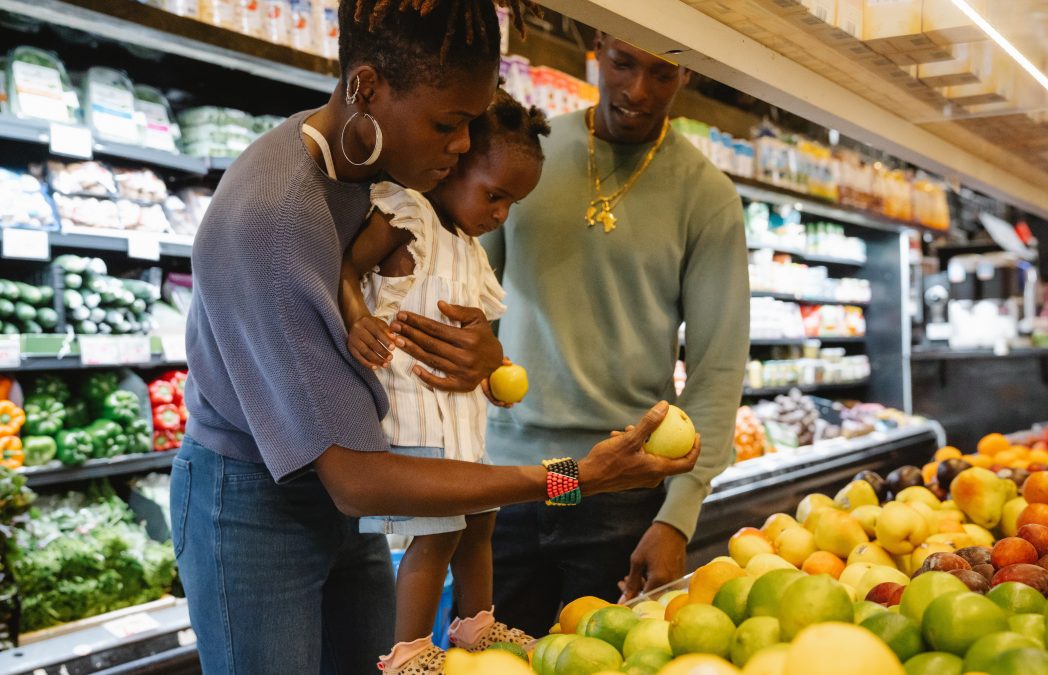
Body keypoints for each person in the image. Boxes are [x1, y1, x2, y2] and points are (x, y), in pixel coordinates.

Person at [172, 1, 699, 672]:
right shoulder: (277, 220)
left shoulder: (389, 163)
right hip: (253, 505)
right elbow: (358, 481)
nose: (460, 149)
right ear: (367, 88)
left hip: (345, 490)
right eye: (449, 125)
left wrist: (484, 358)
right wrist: (574, 480)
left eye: (471, 126)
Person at [483, 33, 750, 635]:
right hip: (512, 480)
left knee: (603, 662)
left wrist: (678, 516)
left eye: (662, 74)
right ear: (597, 49)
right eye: (623, 64)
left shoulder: (707, 196)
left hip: (621, 491)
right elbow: (473, 299)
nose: (636, 91)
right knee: (485, 659)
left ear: (688, 76)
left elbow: (717, 369)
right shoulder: (532, 152)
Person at [339, 89, 549, 673]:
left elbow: (476, 344)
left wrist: (493, 370)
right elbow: (345, 267)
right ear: (453, 162)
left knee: (482, 521)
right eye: (495, 195)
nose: (500, 214)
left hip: (462, 424)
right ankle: (408, 653)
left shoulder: (472, 253)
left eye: (512, 204)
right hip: (414, 413)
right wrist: (359, 320)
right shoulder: (409, 215)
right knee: (435, 536)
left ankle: (476, 625)